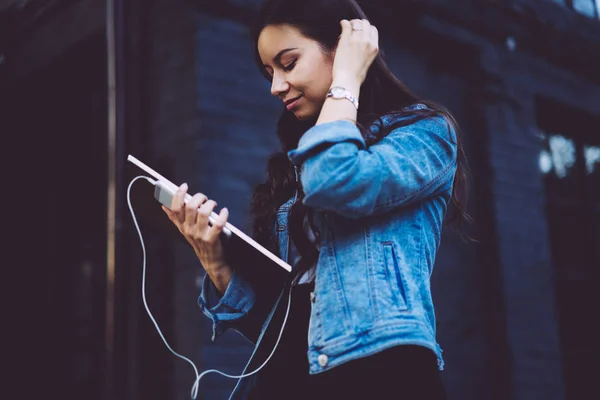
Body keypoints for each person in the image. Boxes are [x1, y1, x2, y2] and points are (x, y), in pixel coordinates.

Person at [162, 0, 470, 398]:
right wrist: (217, 264)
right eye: (269, 73)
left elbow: (335, 179)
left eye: (288, 64)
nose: (275, 86)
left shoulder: (424, 134)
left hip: (379, 375)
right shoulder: (296, 165)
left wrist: (346, 80)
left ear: (343, 48)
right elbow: (283, 330)